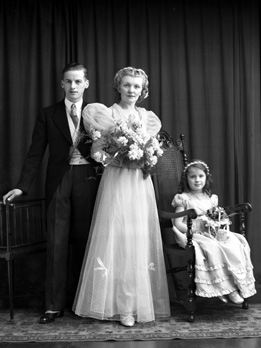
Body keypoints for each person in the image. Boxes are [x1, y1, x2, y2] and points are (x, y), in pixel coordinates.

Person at [2, 62, 101, 324]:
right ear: (62, 84)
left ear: (86, 84)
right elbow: (35, 153)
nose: (73, 86)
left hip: (88, 181)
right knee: (56, 243)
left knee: (84, 242)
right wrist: (21, 185)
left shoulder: (96, 113)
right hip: (58, 181)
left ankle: (83, 303)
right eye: (68, 81)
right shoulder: (48, 114)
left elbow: (108, 150)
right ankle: (53, 306)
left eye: (78, 81)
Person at [73, 67, 170, 327]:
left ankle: (138, 304)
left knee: (137, 240)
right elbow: (96, 152)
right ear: (119, 86)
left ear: (143, 90)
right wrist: (114, 158)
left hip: (139, 184)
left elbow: (153, 151)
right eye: (127, 85)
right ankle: (120, 307)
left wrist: (147, 155)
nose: (131, 90)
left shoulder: (148, 118)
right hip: (116, 183)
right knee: (118, 239)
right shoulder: (107, 114)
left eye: (136, 87)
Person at [172, 159, 256, 304]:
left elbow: (216, 215)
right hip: (191, 234)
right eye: (192, 177)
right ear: (186, 179)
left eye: (200, 176)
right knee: (213, 247)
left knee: (235, 241)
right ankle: (221, 287)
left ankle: (233, 286)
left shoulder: (210, 198)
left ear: (206, 178)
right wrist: (195, 230)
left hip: (210, 232)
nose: (197, 180)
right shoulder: (184, 198)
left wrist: (219, 221)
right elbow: (177, 222)